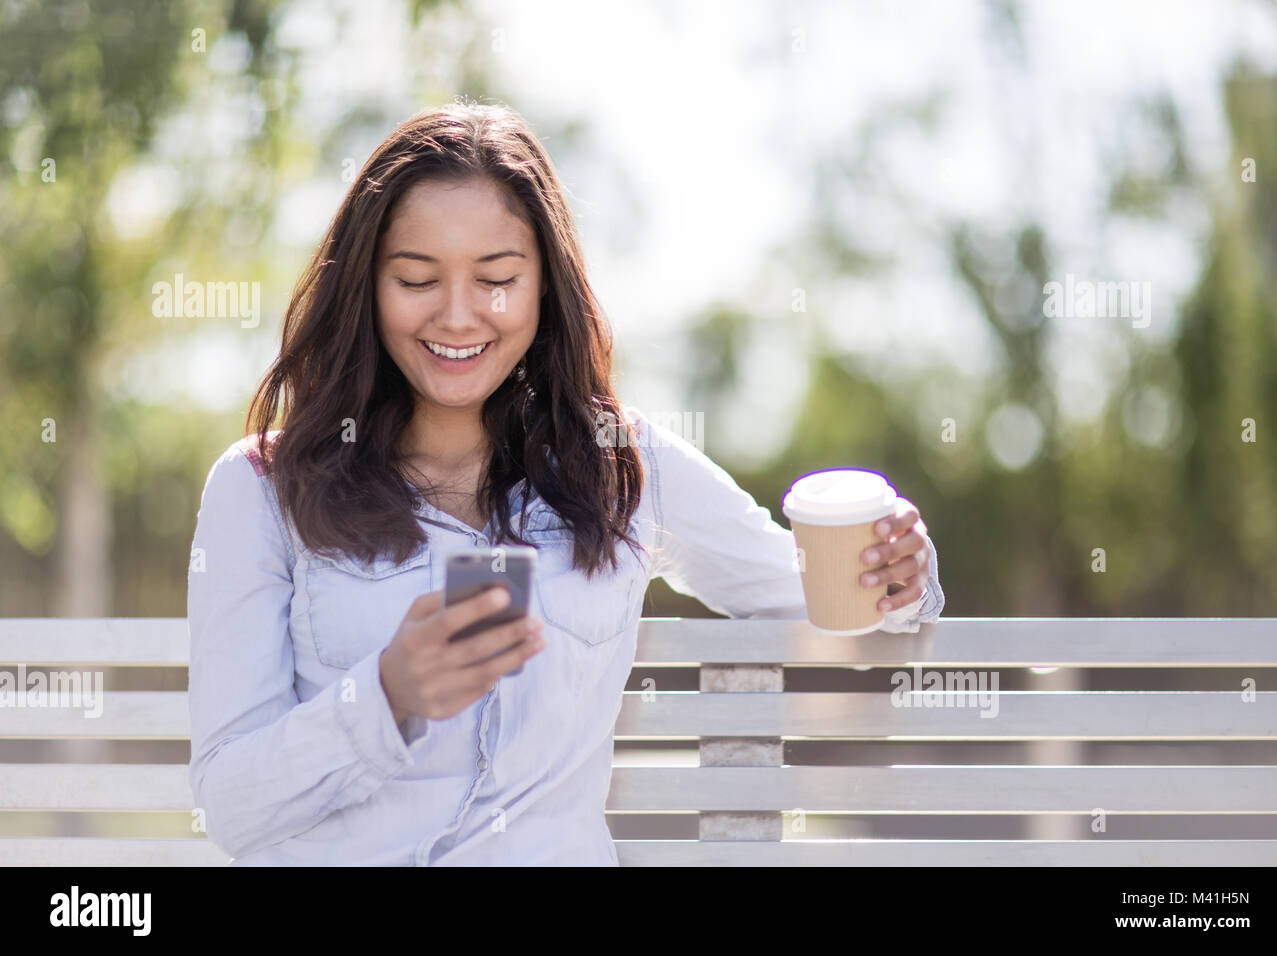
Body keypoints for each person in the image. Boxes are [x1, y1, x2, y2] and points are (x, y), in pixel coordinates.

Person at [187, 100, 945, 866]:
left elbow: (814, 597)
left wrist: (896, 576)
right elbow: (233, 808)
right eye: (416, 278)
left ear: (546, 285)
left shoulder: (620, 461)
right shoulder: (260, 488)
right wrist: (385, 695)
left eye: (498, 278)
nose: (458, 316)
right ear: (366, 288)